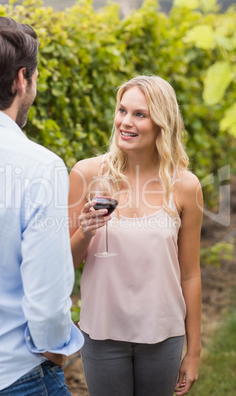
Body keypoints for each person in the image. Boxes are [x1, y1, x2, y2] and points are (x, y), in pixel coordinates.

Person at [0, 16, 83, 395]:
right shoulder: (39, 166)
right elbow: (47, 297)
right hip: (13, 376)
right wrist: (56, 349)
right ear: (22, 79)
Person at [69, 75, 203, 396]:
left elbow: (190, 275)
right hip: (102, 333)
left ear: (162, 123)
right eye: (121, 110)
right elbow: (64, 263)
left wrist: (194, 352)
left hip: (163, 334)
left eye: (139, 114)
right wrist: (86, 232)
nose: (125, 122)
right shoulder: (86, 174)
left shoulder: (185, 186)